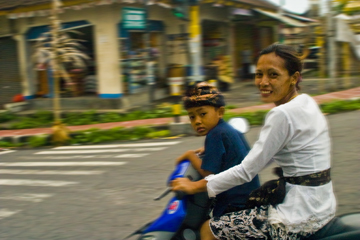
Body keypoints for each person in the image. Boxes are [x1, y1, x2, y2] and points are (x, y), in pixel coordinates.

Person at [172, 44, 337, 240]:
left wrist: (194, 186)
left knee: (208, 229)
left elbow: (246, 171)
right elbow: (261, 157)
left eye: (273, 75)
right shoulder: (306, 102)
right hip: (321, 205)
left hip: (299, 214)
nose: (263, 82)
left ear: (293, 78)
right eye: (259, 74)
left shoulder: (282, 114)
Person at [175, 82, 260, 217]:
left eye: (202, 114)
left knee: (205, 231)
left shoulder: (215, 134)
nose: (197, 121)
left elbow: (208, 176)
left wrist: (190, 155)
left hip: (235, 206)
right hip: (250, 200)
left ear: (220, 112)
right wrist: (208, 149)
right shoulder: (228, 130)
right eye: (192, 117)